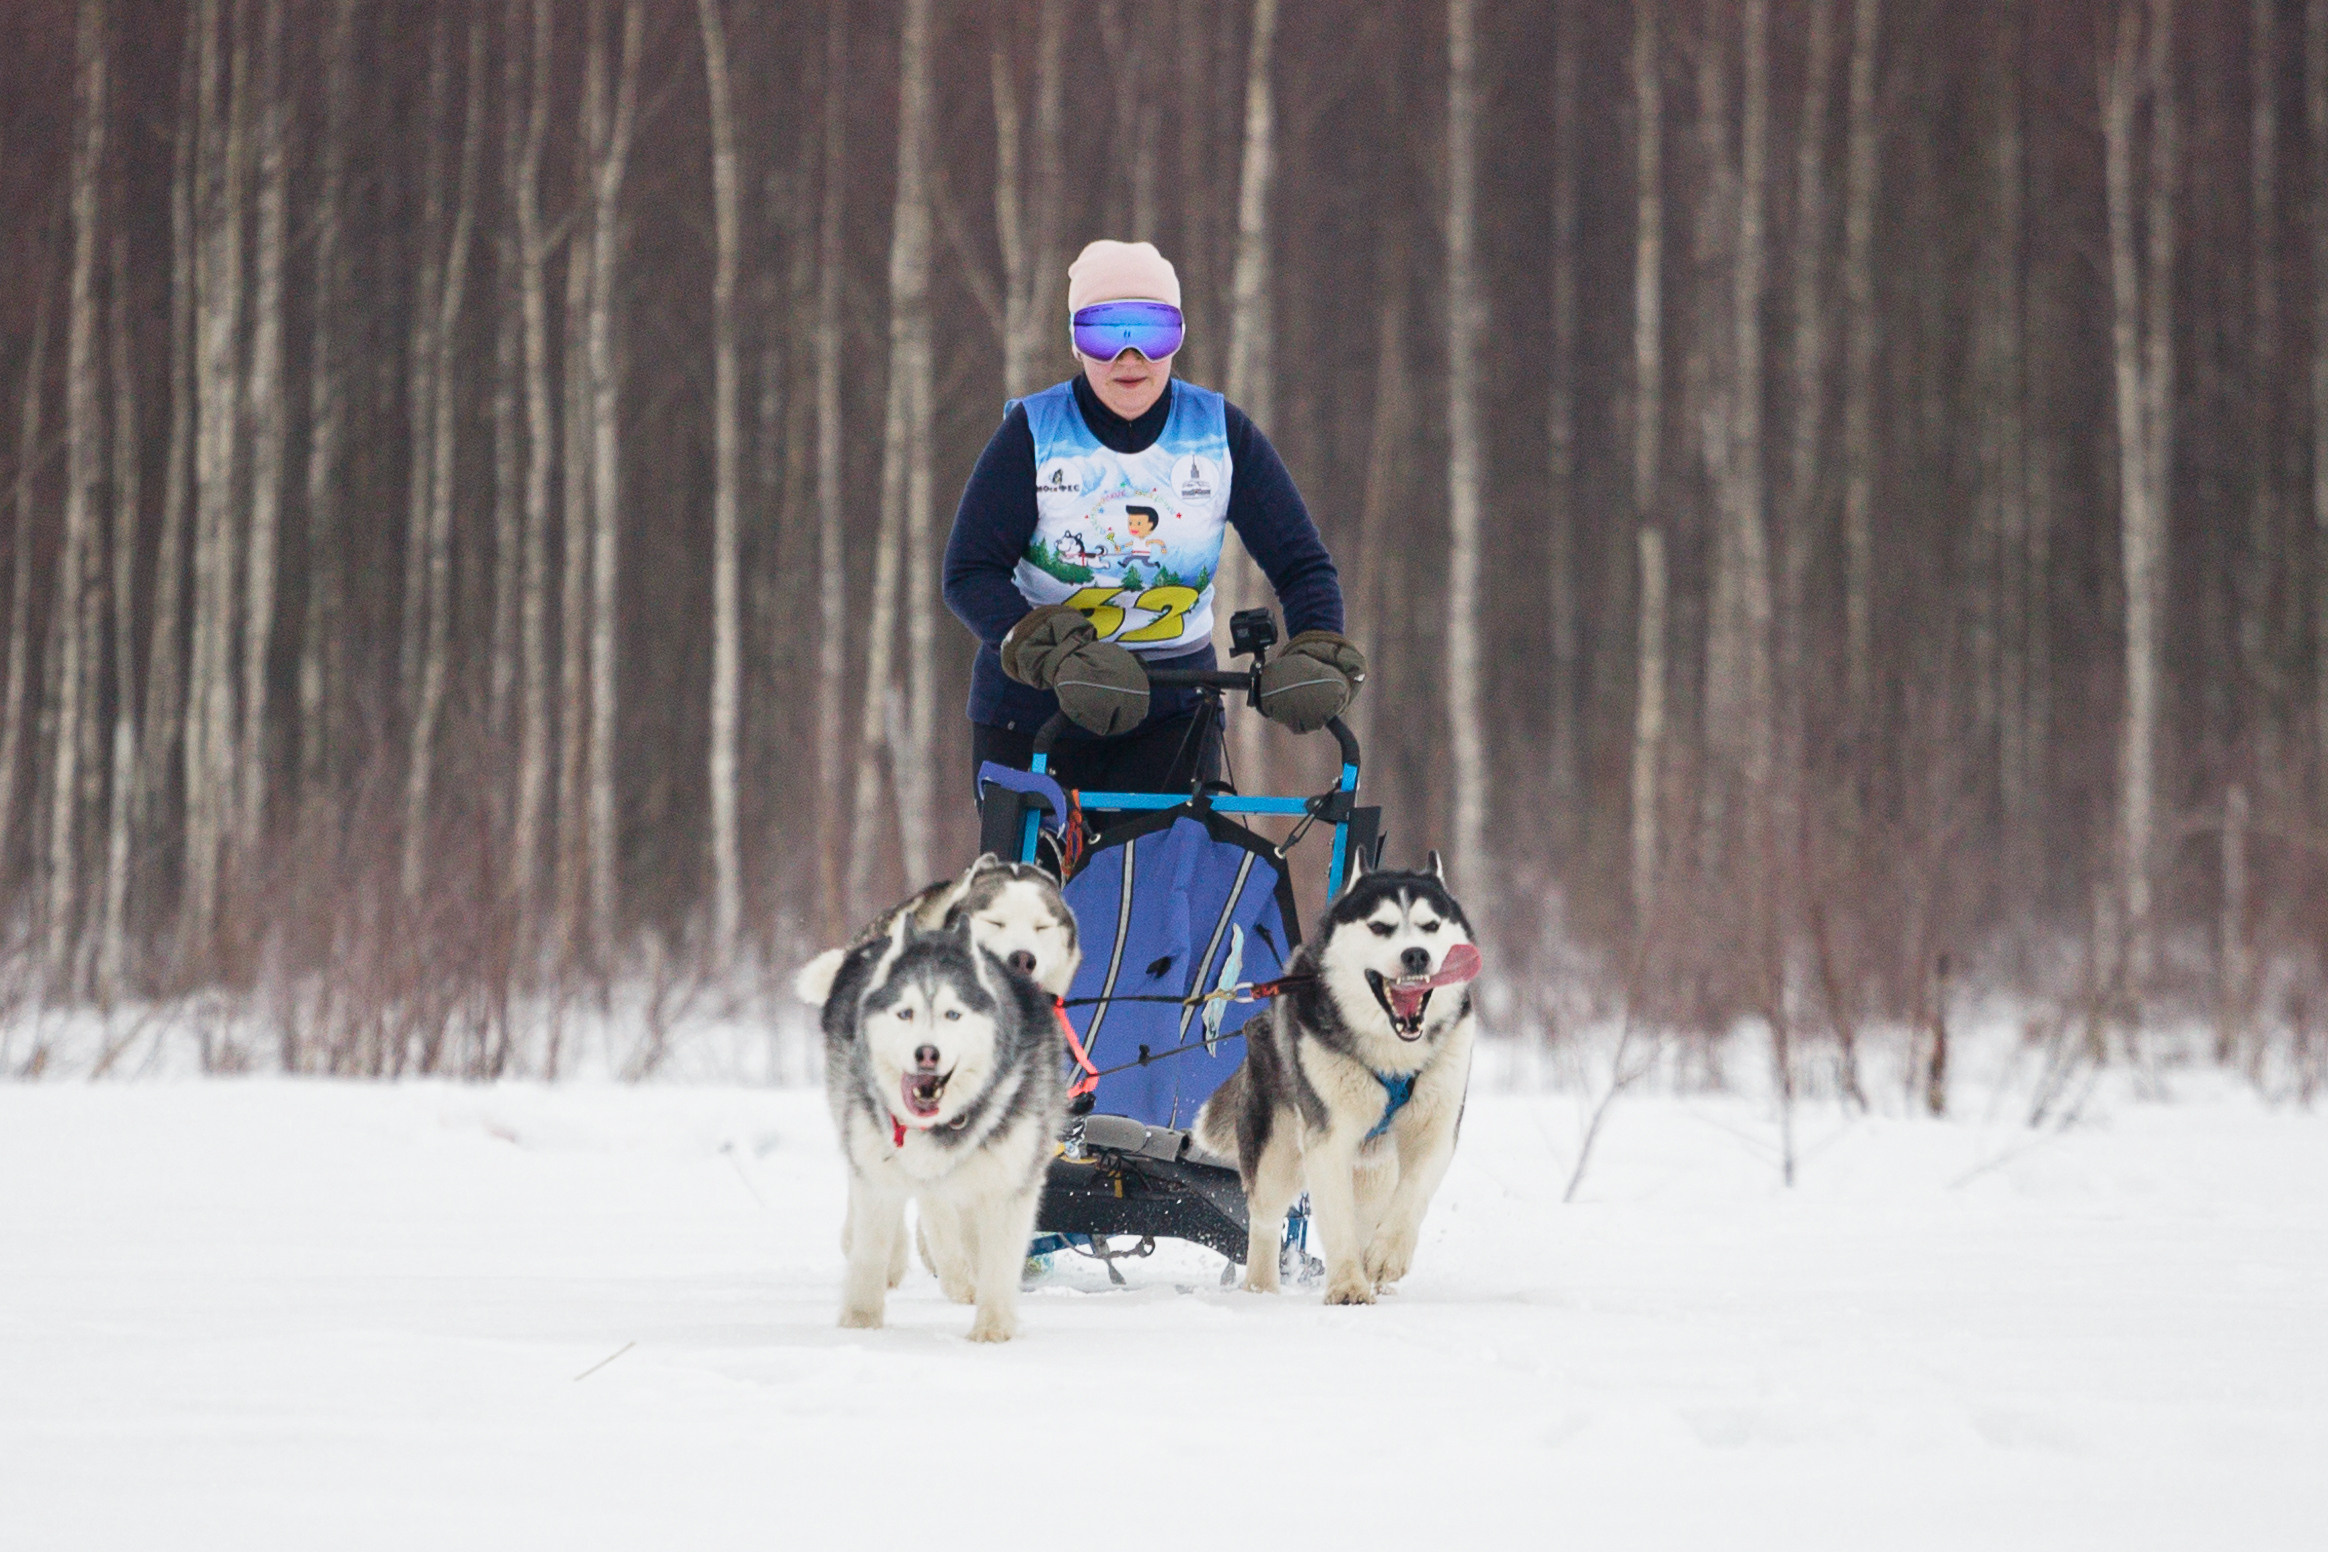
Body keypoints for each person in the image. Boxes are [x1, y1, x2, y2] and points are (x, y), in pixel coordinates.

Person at [942, 239, 1365, 803]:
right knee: (1033, 893)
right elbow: (969, 572)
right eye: (1106, 335)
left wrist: (1316, 644)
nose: (1130, 360)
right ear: (1075, 343)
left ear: (1178, 339)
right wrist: (1057, 654)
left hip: (1173, 718)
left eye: (1152, 334)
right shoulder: (1032, 435)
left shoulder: (1219, 435)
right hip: (1034, 716)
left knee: (1165, 890)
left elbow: (1302, 565)